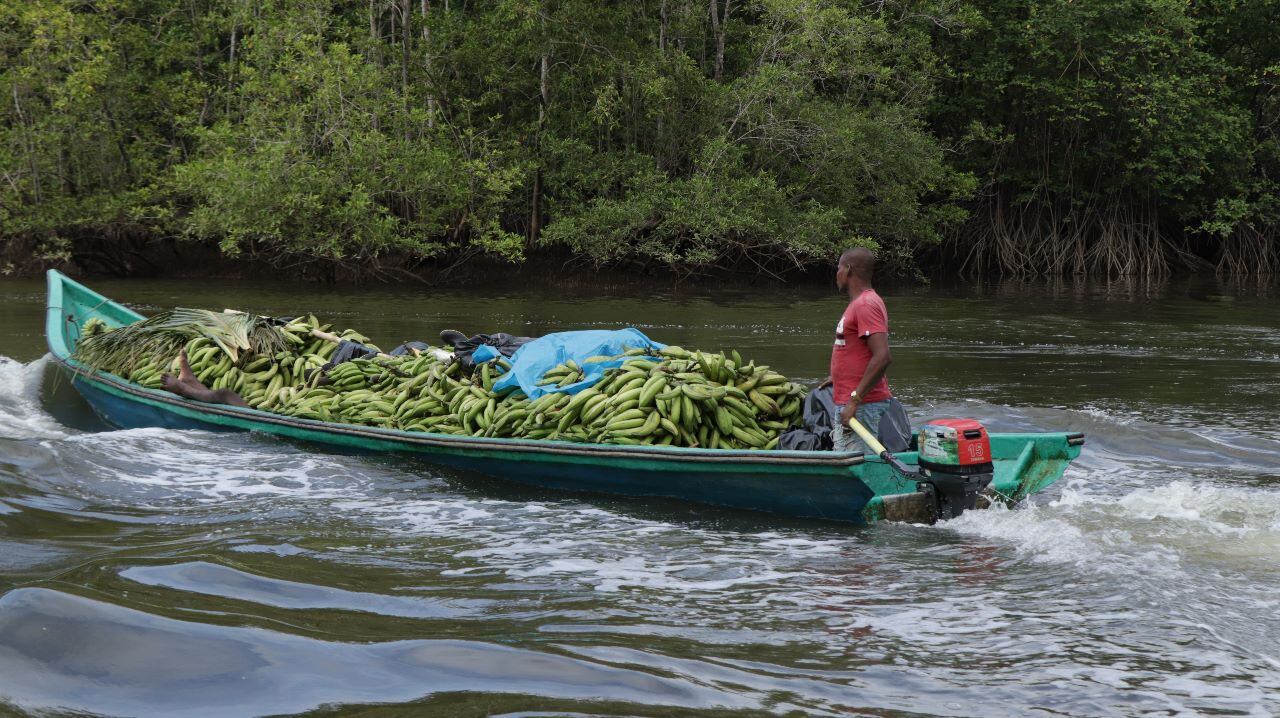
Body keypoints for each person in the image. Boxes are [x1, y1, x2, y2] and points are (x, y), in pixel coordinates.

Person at [820, 247, 893, 453]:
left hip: (862, 404)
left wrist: (855, 400)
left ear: (848, 270)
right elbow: (859, 351)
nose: (837, 273)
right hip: (852, 399)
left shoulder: (865, 304)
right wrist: (838, 376)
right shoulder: (860, 303)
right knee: (847, 460)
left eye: (839, 268)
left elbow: (882, 357)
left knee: (857, 465)